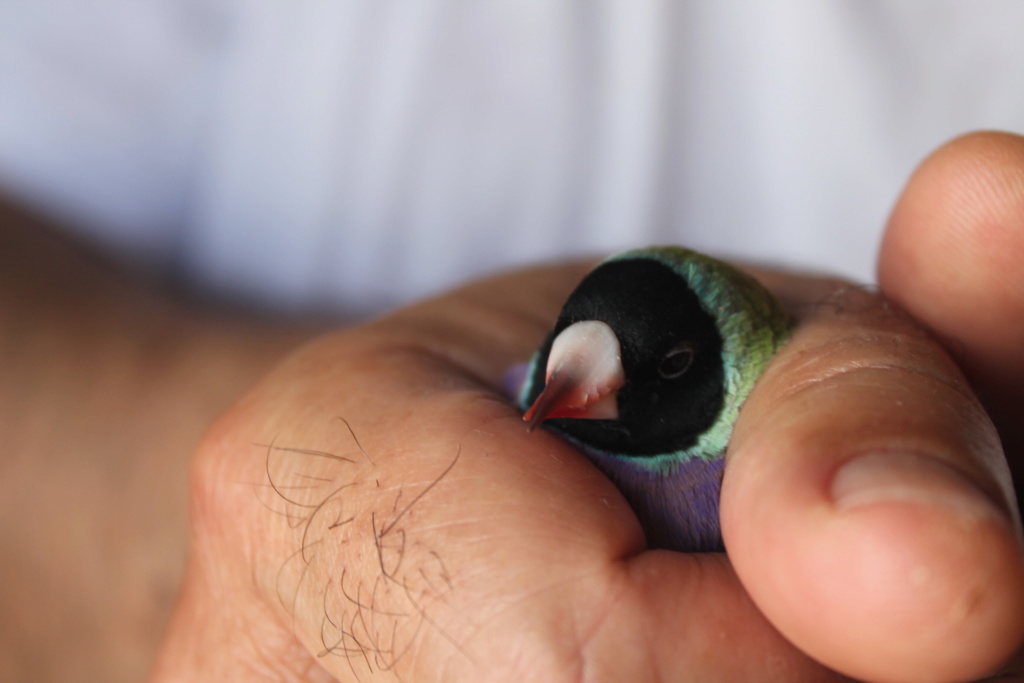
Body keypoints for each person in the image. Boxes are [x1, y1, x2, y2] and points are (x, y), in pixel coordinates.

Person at [1, 3, 1023, 682]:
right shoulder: (517, 411)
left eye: (657, 369)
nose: (570, 393)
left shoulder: (745, 437)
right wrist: (288, 540)